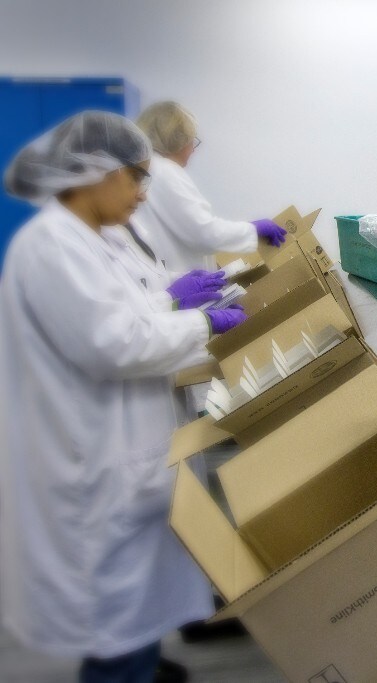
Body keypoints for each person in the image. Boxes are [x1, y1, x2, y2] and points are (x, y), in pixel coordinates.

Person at [0, 111, 247, 683]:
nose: (143, 192)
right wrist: (202, 324)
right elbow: (113, 343)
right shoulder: (52, 246)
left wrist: (175, 299)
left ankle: (139, 664)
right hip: (91, 461)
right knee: (113, 611)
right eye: (136, 176)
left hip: (125, 452)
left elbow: (128, 311)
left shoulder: (97, 237)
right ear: (95, 172)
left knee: (134, 601)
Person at [133, 101, 287, 272]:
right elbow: (204, 233)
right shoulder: (165, 171)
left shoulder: (150, 170)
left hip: (166, 273)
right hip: (177, 275)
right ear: (176, 141)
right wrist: (252, 230)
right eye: (192, 141)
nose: (193, 149)